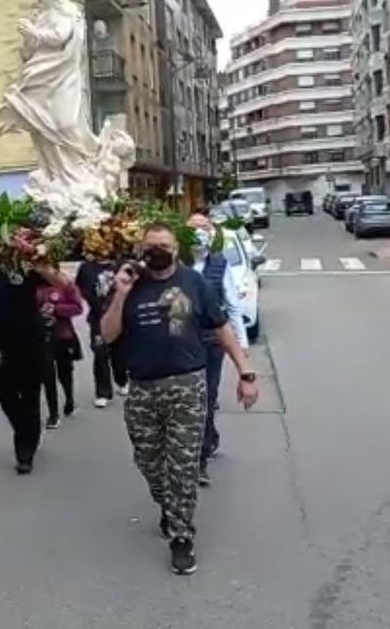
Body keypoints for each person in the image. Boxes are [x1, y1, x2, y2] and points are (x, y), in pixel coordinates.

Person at [101, 223, 259, 576]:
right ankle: (169, 505)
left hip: (187, 385)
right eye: (152, 245)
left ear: (176, 249)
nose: (158, 250)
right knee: (149, 462)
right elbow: (108, 334)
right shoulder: (130, 284)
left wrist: (246, 373)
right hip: (142, 389)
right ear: (141, 249)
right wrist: (122, 293)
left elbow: (221, 327)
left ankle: (182, 536)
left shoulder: (194, 282)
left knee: (183, 466)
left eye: (165, 245)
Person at [0, 262, 70, 474]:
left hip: (31, 340)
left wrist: (39, 263)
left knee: (30, 395)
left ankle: (25, 452)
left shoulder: (28, 270)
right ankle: (26, 431)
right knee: (4, 393)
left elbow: (63, 283)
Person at [187, 213, 249, 487]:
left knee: (207, 396)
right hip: (183, 344)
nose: (200, 233)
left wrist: (242, 347)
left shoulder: (219, 263)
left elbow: (232, 305)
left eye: (204, 228)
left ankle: (200, 455)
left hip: (212, 343)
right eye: (194, 229)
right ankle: (204, 438)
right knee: (191, 400)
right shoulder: (175, 265)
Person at [75, 253, 127, 408]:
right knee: (100, 353)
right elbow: (80, 287)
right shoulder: (86, 268)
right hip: (97, 318)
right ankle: (103, 392)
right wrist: (93, 301)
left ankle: (122, 378)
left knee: (119, 353)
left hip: (119, 317)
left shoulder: (120, 264)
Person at [36, 274, 83, 429]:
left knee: (65, 372)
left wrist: (56, 309)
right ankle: (53, 413)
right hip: (41, 338)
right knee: (47, 375)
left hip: (63, 335)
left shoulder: (64, 284)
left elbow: (78, 307)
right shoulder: (31, 284)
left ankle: (69, 399)